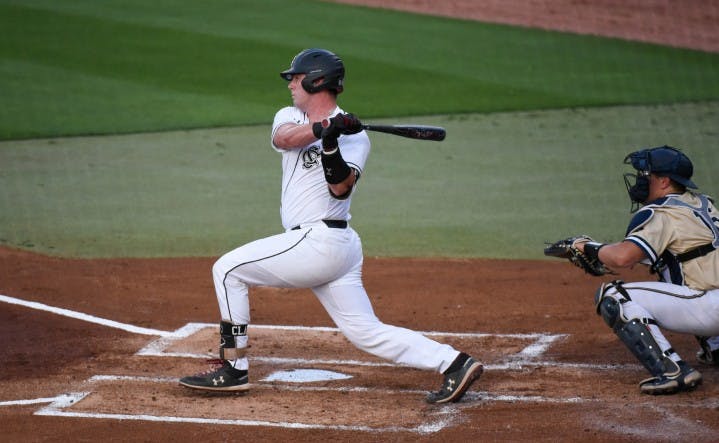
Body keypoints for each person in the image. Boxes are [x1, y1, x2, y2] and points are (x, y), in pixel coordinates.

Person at [179, 48, 482, 403]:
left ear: (316, 80)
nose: (290, 83)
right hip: (327, 246)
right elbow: (284, 139)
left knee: (228, 270)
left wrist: (333, 142)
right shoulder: (289, 115)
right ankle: (454, 362)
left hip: (322, 241)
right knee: (365, 332)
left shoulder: (357, 137)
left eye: (295, 77)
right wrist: (325, 128)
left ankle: (233, 370)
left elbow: (339, 188)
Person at [573, 145, 719, 395]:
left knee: (615, 296)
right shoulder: (702, 204)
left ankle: (672, 370)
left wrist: (588, 247)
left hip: (711, 308)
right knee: (685, 278)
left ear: (663, 181)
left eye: (645, 175)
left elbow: (623, 258)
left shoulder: (661, 212)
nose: (640, 180)